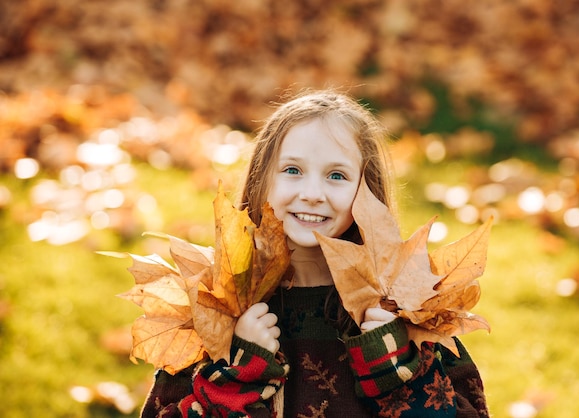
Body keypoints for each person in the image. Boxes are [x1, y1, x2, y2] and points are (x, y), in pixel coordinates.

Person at [140, 90, 490, 417]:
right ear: (263, 178)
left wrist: (399, 374)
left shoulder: (406, 309)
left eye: (336, 175)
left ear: (365, 192)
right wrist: (236, 378)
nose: (311, 193)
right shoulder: (216, 304)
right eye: (292, 170)